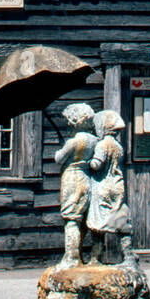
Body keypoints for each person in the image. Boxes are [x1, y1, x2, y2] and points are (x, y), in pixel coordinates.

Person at [88, 109, 138, 269]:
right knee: (120, 214)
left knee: (98, 221)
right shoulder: (118, 145)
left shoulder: (102, 145)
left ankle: (96, 257)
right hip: (117, 185)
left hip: (102, 185)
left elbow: (97, 164)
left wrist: (87, 163)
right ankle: (128, 254)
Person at [53, 102, 96, 269]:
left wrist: (60, 150)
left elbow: (59, 159)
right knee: (82, 218)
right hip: (87, 178)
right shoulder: (94, 140)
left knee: (71, 218)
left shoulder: (75, 141)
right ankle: (78, 254)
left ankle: (72, 257)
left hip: (72, 178)